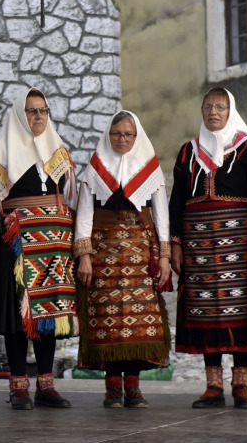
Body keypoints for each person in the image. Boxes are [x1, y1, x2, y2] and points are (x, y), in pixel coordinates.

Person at [0, 87, 78, 410]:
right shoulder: (2, 151)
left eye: (43, 111)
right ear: (20, 115)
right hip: (16, 244)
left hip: (55, 244)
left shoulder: (58, 150)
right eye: (32, 111)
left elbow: (71, 198)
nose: (38, 117)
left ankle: (46, 386)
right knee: (18, 317)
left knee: (50, 314)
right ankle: (19, 386)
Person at [169, 88, 247, 409]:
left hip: (239, 248)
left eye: (220, 107)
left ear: (230, 111)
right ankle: (213, 387)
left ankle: (241, 386)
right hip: (198, 252)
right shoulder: (187, 153)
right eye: (208, 106)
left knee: (242, 314)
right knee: (205, 316)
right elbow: (176, 202)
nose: (213, 112)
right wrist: (176, 245)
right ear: (201, 110)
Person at [74, 110, 171, 409]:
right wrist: (85, 256)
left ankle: (134, 387)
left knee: (139, 319)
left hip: (140, 252)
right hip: (102, 252)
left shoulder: (149, 167)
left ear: (136, 136)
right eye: (117, 134)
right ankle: (112, 388)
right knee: (107, 318)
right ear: (108, 134)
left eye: (129, 134)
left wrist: (164, 257)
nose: (122, 139)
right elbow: (85, 213)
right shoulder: (96, 167)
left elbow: (161, 213)